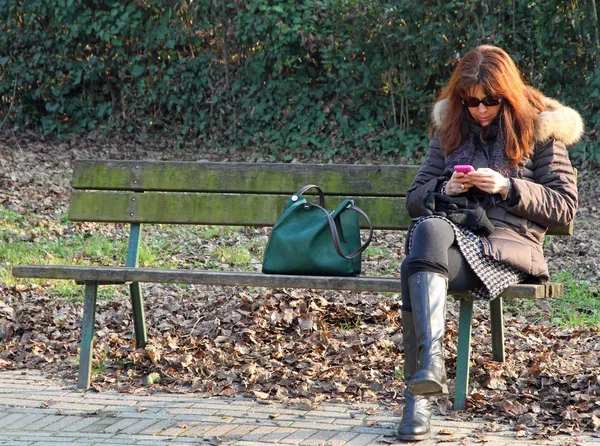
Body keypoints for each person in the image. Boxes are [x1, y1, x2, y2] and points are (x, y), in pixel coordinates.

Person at [396, 45, 583, 441]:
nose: (480, 110)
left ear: (508, 95)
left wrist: (510, 185)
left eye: (491, 101)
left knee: (415, 262)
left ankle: (418, 402)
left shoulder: (540, 129)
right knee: (426, 231)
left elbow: (565, 206)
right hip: (454, 236)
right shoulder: (451, 128)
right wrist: (445, 186)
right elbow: (414, 201)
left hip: (505, 246)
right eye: (471, 102)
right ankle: (429, 375)